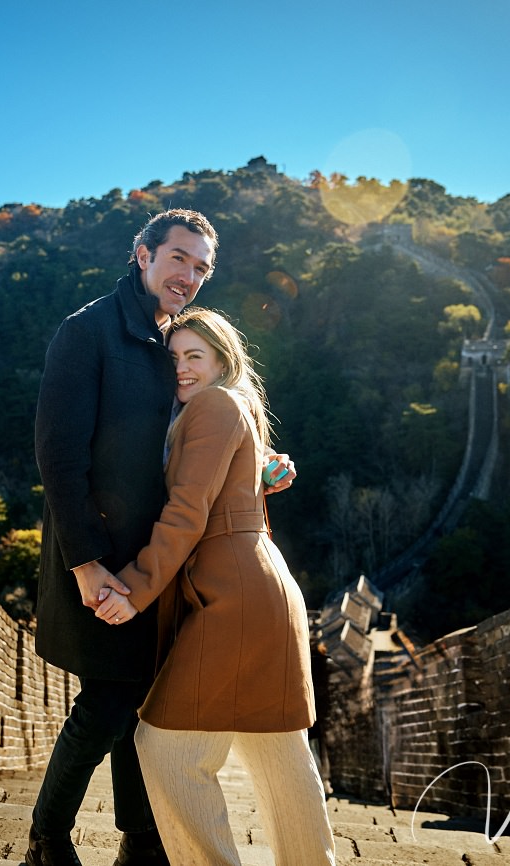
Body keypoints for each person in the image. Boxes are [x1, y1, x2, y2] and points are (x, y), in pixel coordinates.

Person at [31, 210, 296, 866]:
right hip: (101, 554)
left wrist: (258, 468)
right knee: (108, 701)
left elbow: (191, 442)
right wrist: (86, 564)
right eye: (179, 258)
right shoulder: (88, 332)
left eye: (202, 267)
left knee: (143, 703)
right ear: (142, 254)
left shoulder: (171, 341)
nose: (190, 276)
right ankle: (48, 840)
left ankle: (141, 842)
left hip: (163, 561)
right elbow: (58, 456)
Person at [94, 308, 336, 866]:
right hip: (259, 584)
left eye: (194, 356)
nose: (180, 368)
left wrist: (134, 588)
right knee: (279, 752)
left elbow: (187, 512)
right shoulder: (228, 407)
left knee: (165, 747)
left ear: (224, 359)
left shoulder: (211, 405)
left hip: (234, 595)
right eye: (172, 357)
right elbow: (225, 495)